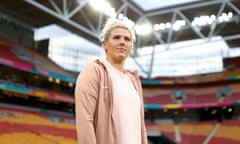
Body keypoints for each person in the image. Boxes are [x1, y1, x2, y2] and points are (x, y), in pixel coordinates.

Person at [75, 18, 148, 144]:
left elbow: (141, 125)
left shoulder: (134, 81)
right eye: (116, 38)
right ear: (104, 44)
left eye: (127, 39)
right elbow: (85, 120)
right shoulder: (94, 71)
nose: (122, 42)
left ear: (131, 47)